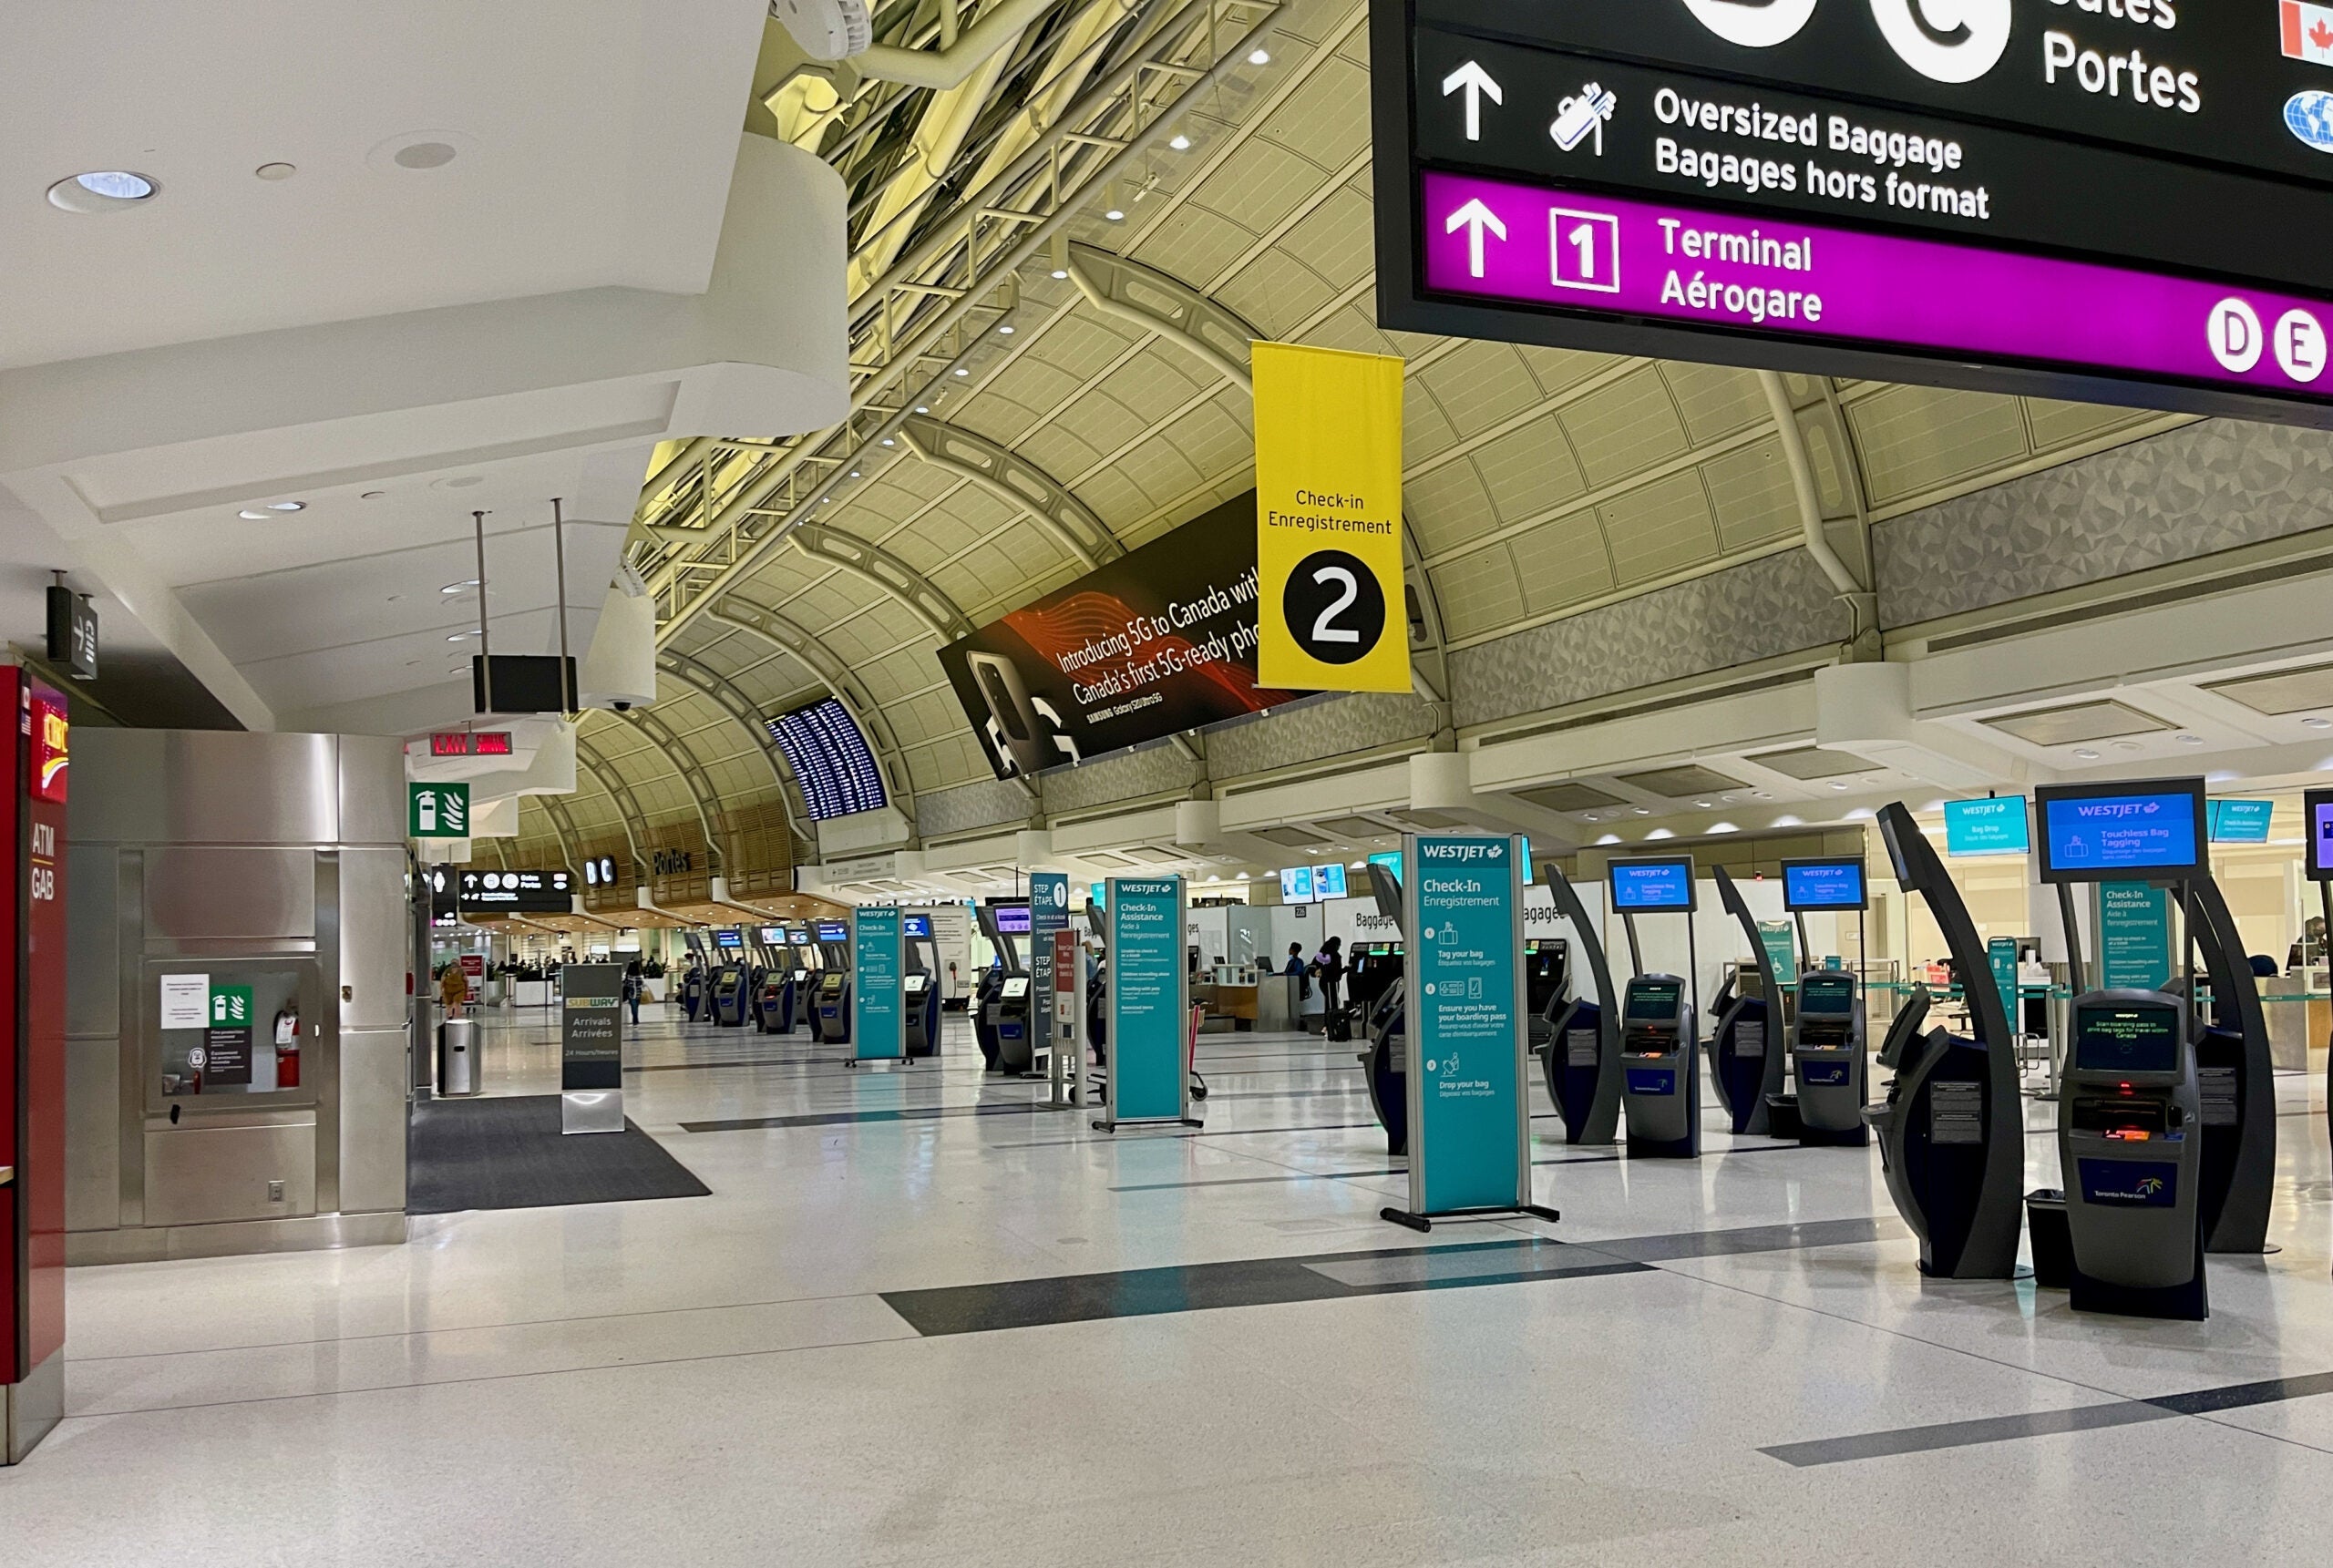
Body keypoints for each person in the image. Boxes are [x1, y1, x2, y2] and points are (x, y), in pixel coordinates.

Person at [1316, 936, 1347, 1040]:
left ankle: (1327, 1026)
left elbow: (1315, 965)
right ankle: (1329, 1027)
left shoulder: (1323, 953)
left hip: (1324, 981)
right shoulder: (1334, 955)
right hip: (1331, 982)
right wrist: (1346, 969)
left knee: (1329, 1004)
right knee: (1332, 1005)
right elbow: (1335, 971)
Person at [623, 959, 643, 1027]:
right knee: (636, 1007)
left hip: (631, 995)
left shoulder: (629, 977)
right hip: (638, 994)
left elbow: (626, 985)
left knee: (633, 1008)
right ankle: (635, 1019)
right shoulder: (639, 977)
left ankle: (635, 1020)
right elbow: (641, 984)